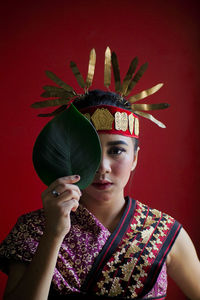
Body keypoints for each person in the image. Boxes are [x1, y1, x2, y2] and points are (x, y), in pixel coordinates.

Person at [0, 49, 200, 300]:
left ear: (135, 158)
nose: (102, 166)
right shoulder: (35, 229)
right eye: (89, 151)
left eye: (117, 150)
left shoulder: (164, 232)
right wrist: (53, 233)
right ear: (70, 154)